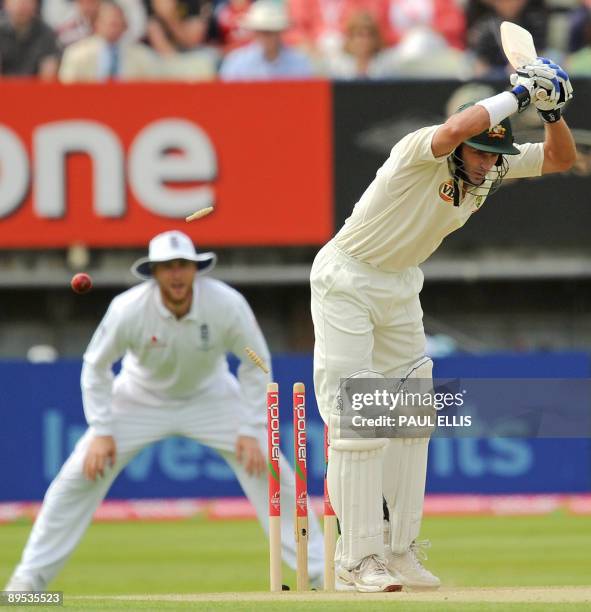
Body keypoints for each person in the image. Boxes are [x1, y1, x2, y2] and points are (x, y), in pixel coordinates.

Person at [310, 61, 576, 592]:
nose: (486, 165)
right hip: (348, 277)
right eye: (480, 153)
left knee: (413, 415)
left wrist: (551, 113)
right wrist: (522, 91)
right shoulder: (419, 149)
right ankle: (355, 558)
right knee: (359, 419)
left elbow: (559, 158)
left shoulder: (492, 167)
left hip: (401, 284)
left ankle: (399, 549)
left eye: (494, 155)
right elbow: (457, 130)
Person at [5, 230, 324, 592]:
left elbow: (256, 362)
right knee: (77, 477)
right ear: (154, 272)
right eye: (167, 267)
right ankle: (27, 583)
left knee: (270, 466)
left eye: (183, 265)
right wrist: (102, 430)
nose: (176, 274)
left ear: (195, 269)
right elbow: (95, 366)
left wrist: (250, 429)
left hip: (212, 396)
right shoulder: (128, 309)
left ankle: (318, 571)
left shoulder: (226, 304)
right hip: (139, 399)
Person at [59, 0, 156, 82]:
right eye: (108, 22)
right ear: (96, 24)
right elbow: (67, 92)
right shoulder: (76, 55)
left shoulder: (142, 57)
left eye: (116, 22)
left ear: (125, 25)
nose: (112, 26)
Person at [220, 0, 313, 81]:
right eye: (262, 31)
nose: (266, 37)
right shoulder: (236, 62)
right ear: (255, 32)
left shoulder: (299, 62)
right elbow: (227, 97)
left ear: (279, 32)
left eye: (270, 32)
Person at [0, 0, 60, 79]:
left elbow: (48, 75)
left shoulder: (46, 33)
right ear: (5, 3)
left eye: (28, 1)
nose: (22, 5)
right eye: (17, 1)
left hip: (36, 88)